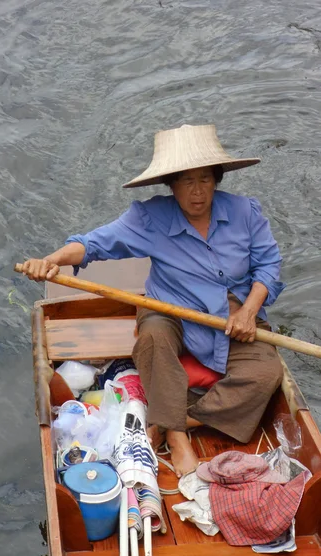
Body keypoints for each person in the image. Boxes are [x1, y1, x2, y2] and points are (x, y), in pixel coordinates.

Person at [17, 124, 285, 477]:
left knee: (267, 373)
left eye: (205, 179)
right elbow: (92, 244)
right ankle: (176, 437)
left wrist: (249, 310)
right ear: (171, 184)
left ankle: (173, 418)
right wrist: (50, 261)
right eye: (186, 181)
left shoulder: (245, 212)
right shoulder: (148, 217)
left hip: (232, 320)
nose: (197, 191)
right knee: (153, 339)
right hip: (170, 312)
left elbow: (269, 264)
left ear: (217, 179)